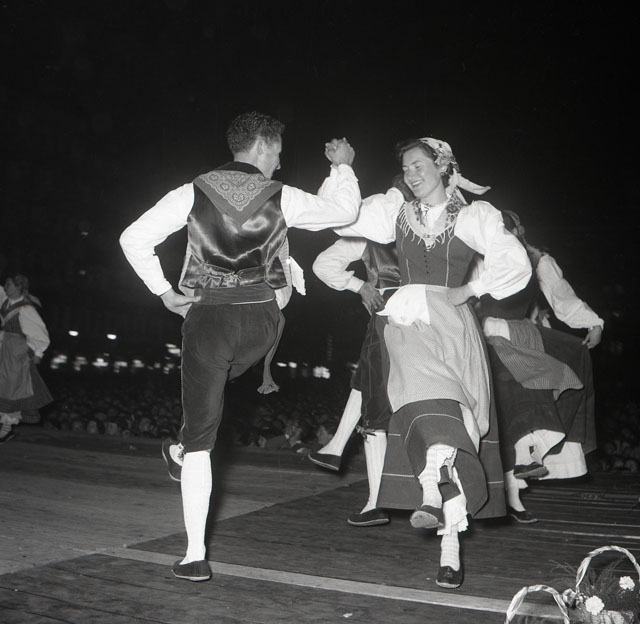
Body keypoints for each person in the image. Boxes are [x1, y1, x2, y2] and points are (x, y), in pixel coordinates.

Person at [119, 111, 360, 583]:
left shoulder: (190, 192)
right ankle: (184, 445)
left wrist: (164, 292)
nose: (279, 163)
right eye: (278, 153)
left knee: (201, 435)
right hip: (261, 324)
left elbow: (132, 239)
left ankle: (194, 554)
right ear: (263, 146)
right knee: (205, 414)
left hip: (208, 318)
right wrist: (343, 166)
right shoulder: (283, 196)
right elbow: (344, 212)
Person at [330, 137, 531, 589]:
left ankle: (448, 546)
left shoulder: (472, 216)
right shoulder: (394, 212)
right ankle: (429, 490)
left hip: (453, 328)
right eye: (406, 168)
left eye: (419, 166)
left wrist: (472, 289)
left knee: (458, 428)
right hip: (407, 322)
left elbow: (515, 261)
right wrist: (343, 169)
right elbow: (341, 215)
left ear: (442, 167)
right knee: (428, 407)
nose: (411, 175)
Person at [475, 210, 602, 524]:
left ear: (519, 230)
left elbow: (561, 297)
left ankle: (533, 456)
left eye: (508, 229)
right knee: (508, 396)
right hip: (484, 337)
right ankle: (513, 486)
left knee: (563, 368)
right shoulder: (478, 260)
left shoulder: (537, 261)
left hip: (521, 333)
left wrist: (593, 323)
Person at [309, 235, 400, 527]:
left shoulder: (371, 238)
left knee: (375, 409)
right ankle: (336, 446)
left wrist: (359, 285)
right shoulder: (430, 234)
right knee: (365, 380)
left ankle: (377, 502)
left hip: (389, 321)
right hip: (432, 319)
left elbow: (323, 265)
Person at [0, 274, 53, 442]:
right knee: (5, 386)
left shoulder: (26, 309)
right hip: (4, 349)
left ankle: (7, 428)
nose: (5, 287)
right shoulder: (6, 301)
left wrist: (38, 353)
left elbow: (41, 334)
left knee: (13, 389)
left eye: (9, 284)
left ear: (18, 287)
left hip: (17, 354)